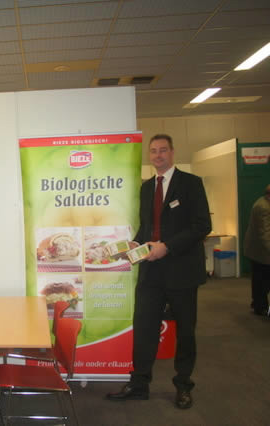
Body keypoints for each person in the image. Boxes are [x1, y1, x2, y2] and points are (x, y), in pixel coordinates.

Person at [106, 134, 211, 409]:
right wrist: (134, 244)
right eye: (153, 151)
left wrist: (168, 247)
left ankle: (183, 385)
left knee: (185, 332)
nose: (158, 155)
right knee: (144, 328)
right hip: (151, 271)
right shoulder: (146, 188)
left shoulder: (191, 183)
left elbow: (202, 225)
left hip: (182, 270)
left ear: (172, 153)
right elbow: (147, 228)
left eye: (163, 150)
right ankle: (139, 384)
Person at [244, 185, 270, 316]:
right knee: (262, 280)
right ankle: (260, 307)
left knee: (260, 279)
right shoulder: (263, 207)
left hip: (259, 250)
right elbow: (264, 233)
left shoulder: (264, 203)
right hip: (260, 251)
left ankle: (258, 304)